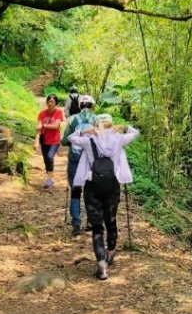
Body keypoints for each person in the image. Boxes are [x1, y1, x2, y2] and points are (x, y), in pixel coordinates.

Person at [68, 114, 139, 280]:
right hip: (112, 187)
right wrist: (123, 127)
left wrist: (86, 130)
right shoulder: (119, 139)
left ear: (96, 126)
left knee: (97, 227)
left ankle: (101, 264)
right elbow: (135, 132)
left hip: (92, 187)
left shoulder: (88, 140)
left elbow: (71, 138)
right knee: (111, 221)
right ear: (111, 125)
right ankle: (111, 251)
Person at [61, 94, 96, 235]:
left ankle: (76, 223)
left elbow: (64, 140)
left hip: (75, 160)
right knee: (91, 191)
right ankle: (92, 222)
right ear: (92, 106)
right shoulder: (97, 120)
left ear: (80, 105)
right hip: (91, 160)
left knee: (75, 192)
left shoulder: (73, 119)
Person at [34, 94, 63, 189]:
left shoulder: (58, 112)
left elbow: (56, 126)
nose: (50, 104)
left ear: (56, 103)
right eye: (49, 101)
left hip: (55, 140)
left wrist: (43, 125)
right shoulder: (42, 113)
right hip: (44, 140)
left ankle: (49, 179)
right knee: (46, 160)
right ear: (46, 102)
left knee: (50, 157)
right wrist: (36, 141)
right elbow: (38, 128)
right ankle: (49, 177)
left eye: (52, 102)